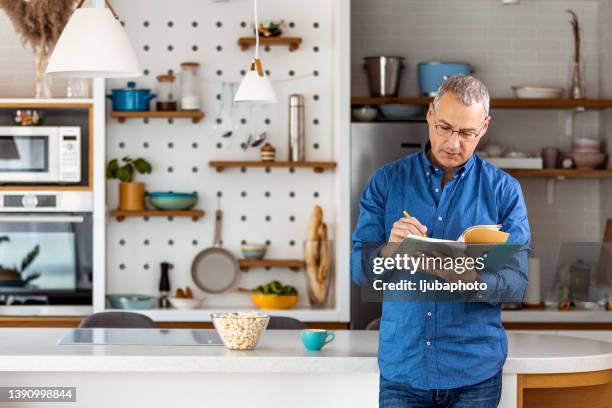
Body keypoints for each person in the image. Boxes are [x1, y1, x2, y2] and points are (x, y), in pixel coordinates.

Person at [351, 75, 530, 407]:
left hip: (474, 374)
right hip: (404, 370)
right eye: (445, 127)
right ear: (430, 114)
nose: (453, 143)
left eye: (466, 133)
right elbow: (361, 272)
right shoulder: (386, 182)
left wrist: (473, 280)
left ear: (485, 126)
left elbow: (517, 282)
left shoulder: (504, 191)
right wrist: (390, 249)